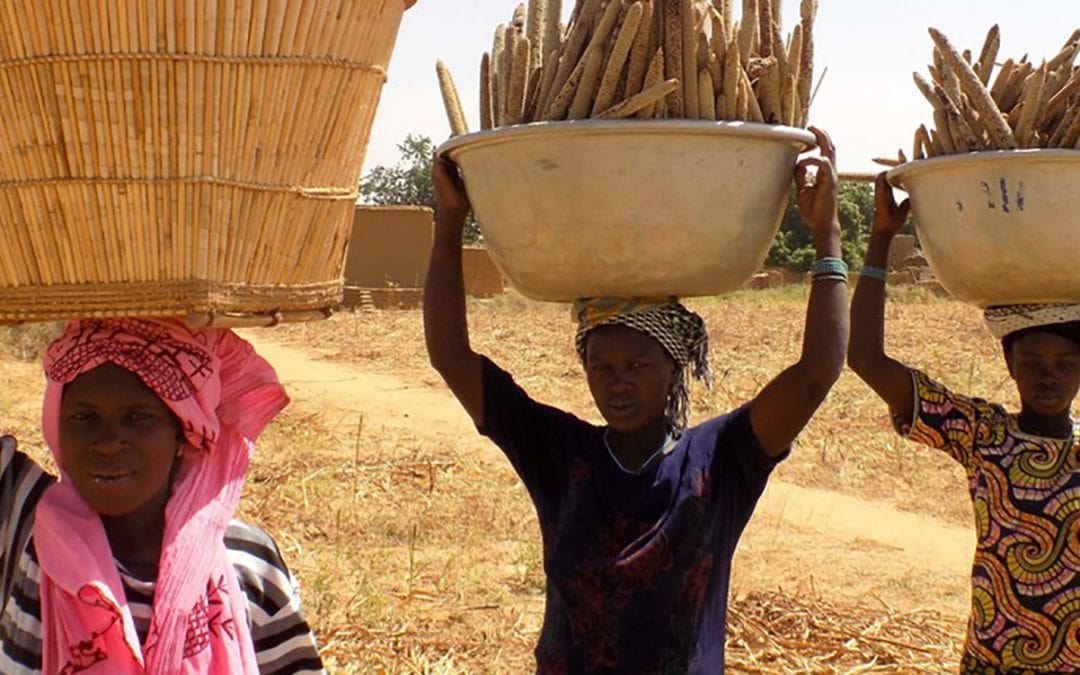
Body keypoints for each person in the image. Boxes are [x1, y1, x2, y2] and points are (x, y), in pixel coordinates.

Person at [423, 127, 849, 673]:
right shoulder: (559, 455)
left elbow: (817, 372)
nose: (616, 382)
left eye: (638, 366)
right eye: (601, 367)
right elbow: (451, 355)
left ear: (674, 368)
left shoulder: (719, 461)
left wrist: (828, 236)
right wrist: (450, 221)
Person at [0, 318, 325, 674]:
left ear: (184, 435)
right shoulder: (31, 531)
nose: (108, 443)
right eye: (84, 417)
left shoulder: (246, 562)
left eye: (139, 417)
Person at [848, 175, 1080, 673]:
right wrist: (881, 237)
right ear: (1009, 364)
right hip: (992, 662)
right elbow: (865, 358)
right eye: (1033, 361)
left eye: (1065, 363)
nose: (1048, 376)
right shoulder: (982, 435)